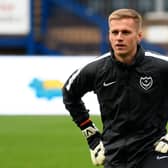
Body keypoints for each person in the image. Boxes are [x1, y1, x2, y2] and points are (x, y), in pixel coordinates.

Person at [62, 8, 168, 168]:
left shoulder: (161, 66)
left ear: (139, 36)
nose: (119, 38)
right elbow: (69, 93)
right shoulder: (96, 69)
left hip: (153, 151)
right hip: (114, 154)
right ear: (109, 35)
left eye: (126, 32)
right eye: (115, 32)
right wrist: (91, 135)